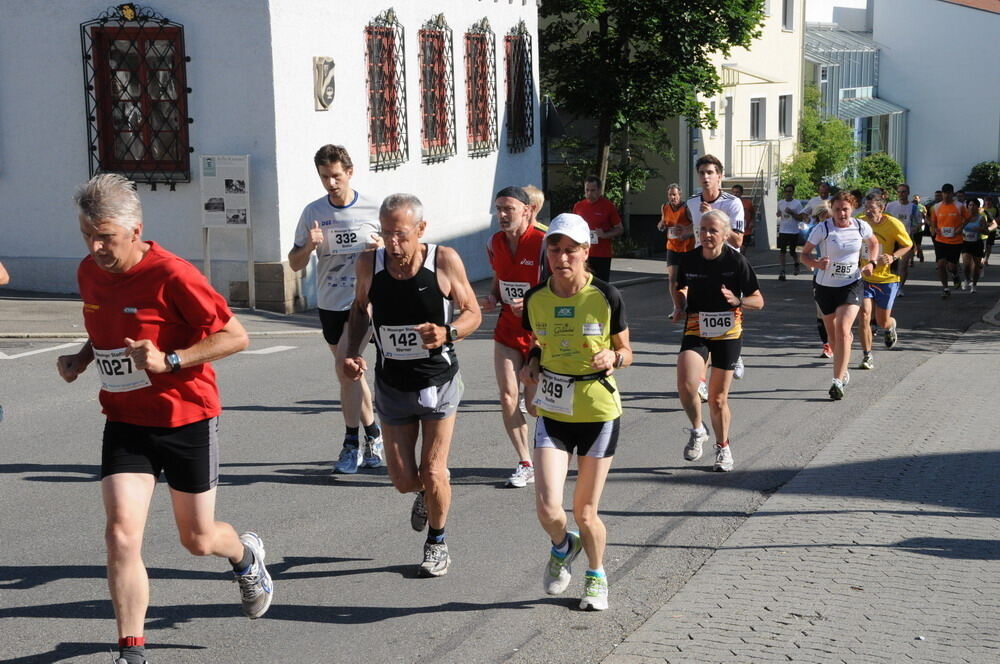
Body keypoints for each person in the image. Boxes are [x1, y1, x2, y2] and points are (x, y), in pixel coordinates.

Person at [56, 174, 271, 664]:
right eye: (87, 234)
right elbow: (106, 328)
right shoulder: (89, 271)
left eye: (105, 236)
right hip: (126, 421)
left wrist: (170, 361)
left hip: (185, 416)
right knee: (120, 533)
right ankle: (131, 650)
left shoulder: (174, 275)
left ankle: (243, 555)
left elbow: (236, 336)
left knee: (197, 539)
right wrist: (82, 359)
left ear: (135, 230)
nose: (95, 246)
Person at [342, 193, 482, 577]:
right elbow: (359, 310)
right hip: (392, 383)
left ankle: (437, 541)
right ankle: (425, 494)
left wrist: (448, 332)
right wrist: (354, 351)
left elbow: (474, 312)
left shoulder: (443, 261)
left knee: (434, 470)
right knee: (404, 479)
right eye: (386, 233)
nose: (393, 243)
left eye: (401, 234)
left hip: (438, 380)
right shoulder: (369, 263)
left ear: (421, 229)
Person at [520, 213, 633, 611]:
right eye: (555, 248)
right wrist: (531, 361)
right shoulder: (536, 299)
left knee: (585, 512)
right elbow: (537, 342)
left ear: (586, 252)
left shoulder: (605, 296)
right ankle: (562, 544)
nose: (562, 256)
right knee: (548, 507)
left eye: (571, 249)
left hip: (598, 412)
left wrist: (613, 356)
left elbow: (627, 351)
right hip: (553, 412)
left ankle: (597, 576)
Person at [288, 144, 384, 474]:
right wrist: (310, 245)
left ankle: (350, 443)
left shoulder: (372, 208)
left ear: (350, 172)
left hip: (363, 302)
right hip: (329, 302)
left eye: (336, 176)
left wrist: (382, 248)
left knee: (347, 367)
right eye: (325, 177)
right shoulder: (313, 212)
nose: (331, 183)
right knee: (351, 375)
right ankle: (374, 433)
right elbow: (294, 263)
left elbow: (399, 253)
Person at [670, 209, 763, 472]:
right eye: (703, 230)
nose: (707, 235)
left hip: (727, 332)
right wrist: (680, 304)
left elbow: (759, 300)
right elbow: (679, 286)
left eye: (713, 230)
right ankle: (698, 430)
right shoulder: (688, 260)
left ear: (724, 234)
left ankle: (723, 446)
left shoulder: (736, 262)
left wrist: (739, 301)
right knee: (686, 384)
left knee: (717, 398)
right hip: (697, 326)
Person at [480, 186, 547, 488]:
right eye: (499, 209)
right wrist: (493, 296)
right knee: (508, 397)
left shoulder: (544, 243)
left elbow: (559, 285)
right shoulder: (495, 242)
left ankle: (552, 452)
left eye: (509, 209)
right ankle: (525, 461)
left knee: (534, 406)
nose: (503, 215)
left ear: (527, 211)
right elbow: (499, 278)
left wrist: (533, 300)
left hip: (539, 334)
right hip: (507, 329)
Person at [800, 191, 879, 400]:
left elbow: (874, 244)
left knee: (843, 328)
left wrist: (872, 262)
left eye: (845, 209)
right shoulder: (823, 228)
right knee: (833, 338)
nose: (841, 213)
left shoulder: (861, 226)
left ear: (852, 208)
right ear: (831, 210)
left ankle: (837, 380)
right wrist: (816, 264)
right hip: (825, 287)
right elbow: (804, 255)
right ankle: (843, 362)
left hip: (851, 284)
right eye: (837, 209)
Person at [685, 154, 747, 380]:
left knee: (729, 316)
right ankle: (701, 379)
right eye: (702, 173)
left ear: (719, 176)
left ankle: (734, 351)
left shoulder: (732, 203)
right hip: (701, 266)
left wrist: (712, 218)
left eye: (710, 172)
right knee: (703, 322)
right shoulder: (692, 202)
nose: (706, 177)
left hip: (729, 266)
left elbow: (738, 240)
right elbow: (692, 234)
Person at [856, 195, 912, 371]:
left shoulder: (893, 224)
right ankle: (867, 355)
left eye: (872, 208)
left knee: (882, 321)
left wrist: (893, 256)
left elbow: (908, 244)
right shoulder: (860, 222)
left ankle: (890, 326)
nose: (868, 211)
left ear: (881, 208)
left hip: (887, 279)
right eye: (866, 207)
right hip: (865, 277)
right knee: (864, 315)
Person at [572, 176, 623, 282]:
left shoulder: (608, 206)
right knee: (583, 285)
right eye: (587, 190)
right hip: (583, 254)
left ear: (599, 190)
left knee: (601, 287)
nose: (589, 193)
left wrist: (605, 235)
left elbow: (619, 229)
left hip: (602, 255)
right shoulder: (578, 206)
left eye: (593, 190)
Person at [657, 183, 695, 316]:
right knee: (672, 278)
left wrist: (687, 233)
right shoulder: (665, 207)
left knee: (688, 279)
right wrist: (661, 225)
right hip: (672, 247)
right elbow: (662, 223)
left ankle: (690, 304)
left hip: (687, 248)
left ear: (680, 195)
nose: (672, 197)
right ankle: (677, 307)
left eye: (674, 194)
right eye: (670, 195)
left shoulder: (686, 208)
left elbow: (696, 225)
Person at [928, 183, 969, 299]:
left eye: (948, 193)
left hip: (956, 241)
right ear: (942, 194)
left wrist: (961, 228)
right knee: (940, 264)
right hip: (940, 240)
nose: (946, 196)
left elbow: (968, 218)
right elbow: (933, 221)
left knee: (951, 266)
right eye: (944, 193)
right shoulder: (936, 207)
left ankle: (955, 274)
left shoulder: (959, 206)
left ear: (952, 193)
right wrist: (935, 228)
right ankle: (945, 288)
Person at [885, 183, 923, 294]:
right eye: (899, 192)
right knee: (891, 264)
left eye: (904, 192)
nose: (901, 194)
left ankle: (900, 288)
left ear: (908, 193)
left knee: (903, 264)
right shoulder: (890, 206)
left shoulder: (914, 208)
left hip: (906, 240)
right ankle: (890, 284)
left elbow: (920, 223)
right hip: (891, 240)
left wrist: (913, 229)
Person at [961, 198, 996, 293]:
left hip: (977, 243)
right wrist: (961, 233)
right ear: (967, 207)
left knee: (976, 266)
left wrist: (980, 229)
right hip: (966, 243)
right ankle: (967, 279)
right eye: (970, 205)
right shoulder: (964, 218)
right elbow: (958, 229)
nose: (972, 207)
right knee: (966, 265)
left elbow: (986, 232)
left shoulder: (981, 218)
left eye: (974, 205)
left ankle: (974, 284)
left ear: (977, 207)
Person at [775, 183, 807, 280]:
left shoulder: (797, 203)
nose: (788, 193)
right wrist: (778, 213)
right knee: (782, 251)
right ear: (784, 192)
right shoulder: (780, 202)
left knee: (792, 251)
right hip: (783, 230)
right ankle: (782, 270)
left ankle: (796, 263)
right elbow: (778, 214)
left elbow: (800, 218)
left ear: (793, 192)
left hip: (793, 231)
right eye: (786, 191)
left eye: (790, 191)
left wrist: (792, 212)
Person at [731, 184, 755, 253]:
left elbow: (753, 213)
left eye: (737, 192)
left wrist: (752, 221)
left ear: (741, 193)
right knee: (737, 251)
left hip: (746, 231)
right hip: (734, 230)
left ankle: (741, 262)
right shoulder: (730, 203)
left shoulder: (747, 203)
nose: (735, 194)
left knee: (742, 250)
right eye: (734, 192)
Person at [984, 196, 998, 266]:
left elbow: (997, 218)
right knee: (984, 247)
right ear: (984, 202)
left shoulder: (995, 209)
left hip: (992, 231)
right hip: (983, 231)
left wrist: (994, 221)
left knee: (989, 247)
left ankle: (986, 260)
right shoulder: (981, 210)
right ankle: (982, 259)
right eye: (986, 201)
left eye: (989, 201)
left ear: (991, 202)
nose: (988, 202)